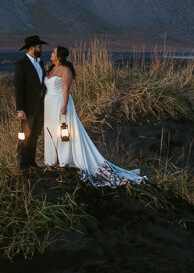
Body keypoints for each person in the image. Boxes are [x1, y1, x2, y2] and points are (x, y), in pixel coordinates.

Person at [42, 45, 143, 186]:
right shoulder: (51, 69)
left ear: (59, 56)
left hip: (60, 103)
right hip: (48, 105)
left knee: (63, 132)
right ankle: (51, 159)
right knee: (50, 131)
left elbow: (66, 89)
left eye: (54, 52)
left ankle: (65, 160)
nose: (51, 53)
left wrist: (64, 106)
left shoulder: (66, 70)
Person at [14, 34, 49, 174]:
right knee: (25, 135)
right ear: (32, 48)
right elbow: (18, 87)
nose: (41, 49)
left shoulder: (40, 62)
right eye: (39, 46)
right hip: (27, 107)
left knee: (35, 134)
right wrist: (19, 109)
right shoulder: (21, 65)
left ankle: (32, 162)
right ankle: (23, 164)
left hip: (40, 105)